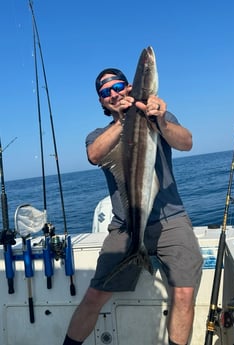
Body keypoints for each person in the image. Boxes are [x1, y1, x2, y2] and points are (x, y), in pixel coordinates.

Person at [63, 68, 203, 345]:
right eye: (106, 92)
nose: (114, 93)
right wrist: (122, 123)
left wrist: (160, 119)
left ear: (129, 88)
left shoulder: (158, 116)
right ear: (102, 102)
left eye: (118, 86)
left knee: (185, 294)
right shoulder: (98, 134)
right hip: (125, 225)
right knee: (94, 296)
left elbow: (186, 142)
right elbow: (94, 155)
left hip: (170, 219)